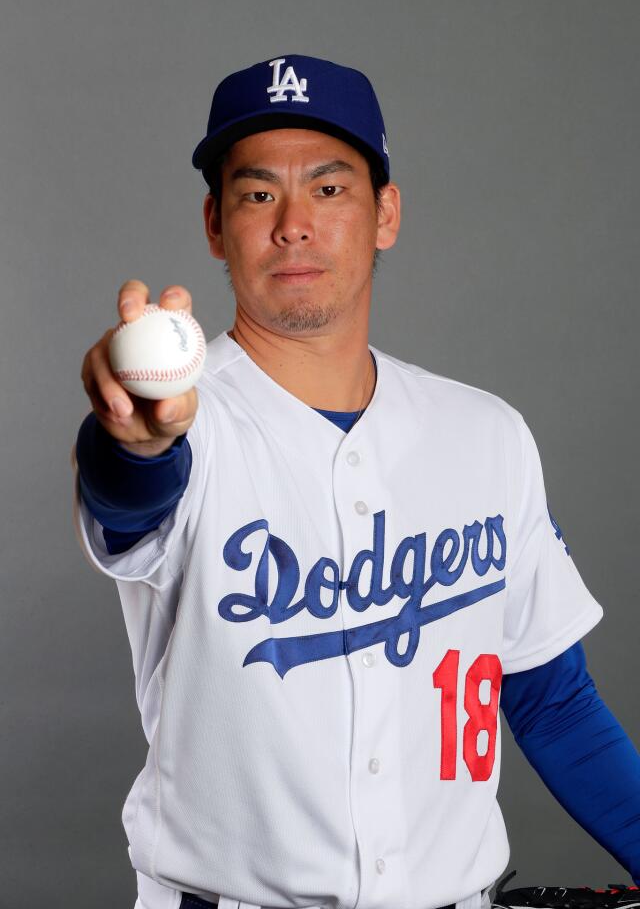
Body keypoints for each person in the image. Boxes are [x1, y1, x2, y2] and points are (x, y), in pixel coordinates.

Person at [73, 55, 640, 909]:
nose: (294, 224)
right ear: (215, 224)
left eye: (330, 189)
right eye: (258, 193)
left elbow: (551, 699)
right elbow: (130, 498)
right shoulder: (184, 420)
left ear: (387, 215)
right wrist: (132, 440)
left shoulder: (487, 435)